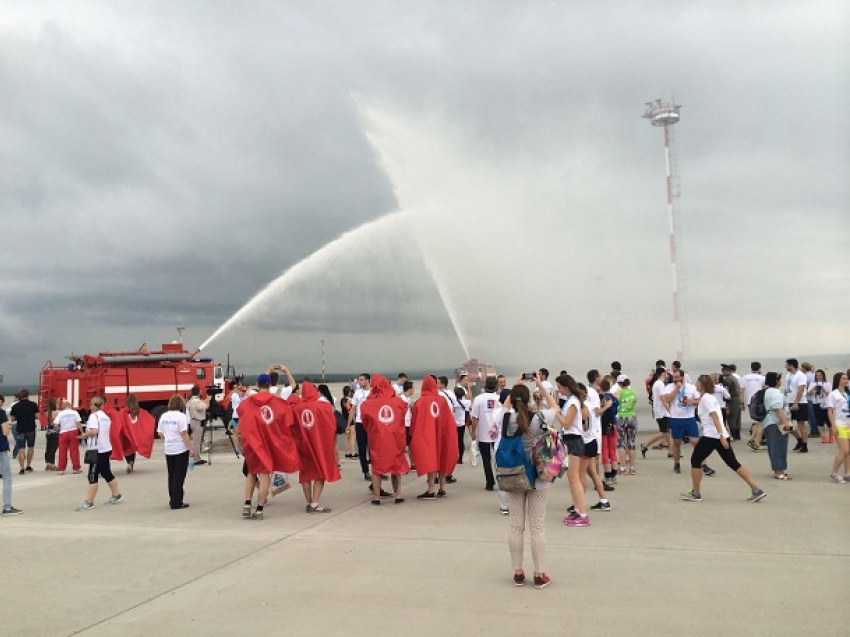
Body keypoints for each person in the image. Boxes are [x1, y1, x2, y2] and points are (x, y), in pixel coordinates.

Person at [680, 375, 766, 503]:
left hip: (712, 436)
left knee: (696, 460)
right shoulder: (710, 398)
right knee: (733, 463)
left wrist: (721, 435)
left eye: (697, 382)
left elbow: (715, 417)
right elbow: (715, 414)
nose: (696, 384)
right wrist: (724, 435)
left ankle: (696, 493)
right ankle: (756, 489)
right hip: (719, 436)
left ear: (702, 385)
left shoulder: (706, 400)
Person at [503, 382, 552, 589]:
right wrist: (540, 384)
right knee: (537, 527)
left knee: (516, 525)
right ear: (530, 399)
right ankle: (539, 574)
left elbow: (504, 407)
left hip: (513, 475)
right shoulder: (541, 418)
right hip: (537, 477)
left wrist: (515, 386)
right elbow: (556, 409)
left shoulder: (505, 417)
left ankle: (517, 572)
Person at [237, 373, 301, 520]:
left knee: (251, 473)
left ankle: (247, 504)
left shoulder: (248, 402)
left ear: (258, 385)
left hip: (253, 443)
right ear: (270, 384)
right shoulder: (277, 402)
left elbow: (241, 414)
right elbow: (287, 417)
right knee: (265, 475)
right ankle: (259, 508)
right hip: (268, 443)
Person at [545, 373, 591, 527]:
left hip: (574, 441)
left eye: (559, 387)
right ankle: (578, 510)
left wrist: (556, 413)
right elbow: (554, 404)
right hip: (571, 441)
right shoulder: (572, 400)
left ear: (566, 386)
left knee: (574, 479)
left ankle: (583, 513)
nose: (558, 390)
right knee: (572, 480)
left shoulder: (573, 403)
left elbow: (566, 423)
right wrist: (540, 386)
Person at [360, 374, 409, 505]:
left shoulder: (369, 404)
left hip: (377, 439)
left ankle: (376, 497)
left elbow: (365, 420)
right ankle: (397, 495)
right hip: (394, 438)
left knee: (377, 467)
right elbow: (404, 413)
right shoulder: (398, 402)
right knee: (396, 466)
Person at [292, 382, 341, 512]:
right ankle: (314, 503)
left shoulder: (297, 408)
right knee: (320, 472)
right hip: (319, 444)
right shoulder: (323, 406)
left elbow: (292, 426)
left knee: (305, 473)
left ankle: (309, 501)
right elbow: (331, 425)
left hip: (303, 445)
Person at [410, 376, 458, 499]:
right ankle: (442, 488)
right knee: (442, 458)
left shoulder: (420, 402)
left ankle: (431, 489)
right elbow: (449, 419)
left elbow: (415, 421)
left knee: (430, 459)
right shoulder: (442, 400)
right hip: (442, 434)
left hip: (427, 435)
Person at [661, 368, 715, 476]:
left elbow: (700, 400)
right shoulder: (669, 387)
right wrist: (676, 389)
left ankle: (703, 464)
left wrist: (691, 401)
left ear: (682, 377)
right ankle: (677, 463)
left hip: (689, 418)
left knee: (695, 442)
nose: (675, 379)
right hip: (676, 418)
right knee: (677, 442)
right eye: (674, 377)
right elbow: (666, 399)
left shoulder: (691, 388)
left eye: (677, 377)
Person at [76, 396, 122, 510]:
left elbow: (94, 431)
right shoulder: (105, 417)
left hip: (97, 449)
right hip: (106, 447)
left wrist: (84, 435)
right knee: (106, 472)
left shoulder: (93, 416)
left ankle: (89, 502)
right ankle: (116, 494)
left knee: (92, 475)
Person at [157, 395, 195, 510]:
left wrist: (167, 439)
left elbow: (160, 432)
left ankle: (173, 498)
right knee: (179, 476)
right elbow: (184, 434)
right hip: (180, 448)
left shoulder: (163, 416)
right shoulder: (181, 417)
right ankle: (176, 501)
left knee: (172, 474)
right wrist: (191, 448)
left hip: (169, 449)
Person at [762, 371, 794, 480]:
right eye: (779, 379)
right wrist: (785, 422)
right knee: (777, 446)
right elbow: (777, 408)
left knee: (778, 445)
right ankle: (778, 470)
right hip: (775, 422)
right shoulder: (775, 392)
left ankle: (780, 469)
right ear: (776, 381)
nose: (781, 382)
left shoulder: (768, 391)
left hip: (770, 421)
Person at [347, 373, 373, 480]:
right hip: (360, 422)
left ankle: (377, 471)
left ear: (367, 380)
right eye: (359, 380)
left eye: (362, 380)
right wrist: (348, 424)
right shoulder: (357, 394)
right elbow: (353, 409)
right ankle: (366, 471)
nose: (360, 381)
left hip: (372, 423)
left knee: (373, 448)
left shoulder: (374, 392)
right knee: (362, 448)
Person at [642, 367, 671, 458]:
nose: (667, 374)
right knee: (664, 432)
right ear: (663, 373)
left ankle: (671, 451)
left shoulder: (657, 384)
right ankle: (645, 445)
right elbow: (663, 399)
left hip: (660, 411)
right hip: (662, 411)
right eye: (666, 372)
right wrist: (669, 410)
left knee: (667, 431)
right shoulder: (660, 384)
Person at [825, 372, 850, 483]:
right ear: (838, 380)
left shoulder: (848, 393)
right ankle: (834, 473)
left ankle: (847, 473)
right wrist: (833, 425)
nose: (846, 380)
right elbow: (830, 411)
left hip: (849, 423)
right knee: (844, 450)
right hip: (840, 424)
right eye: (844, 379)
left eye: (847, 378)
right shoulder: (833, 394)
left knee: (849, 452)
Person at [0, 396, 22, 515]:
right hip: (1, 448)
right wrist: (8, 426)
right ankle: (7, 506)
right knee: (7, 477)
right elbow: (5, 432)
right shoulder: (1, 413)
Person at [9, 388, 38, 474]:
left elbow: (12, 418)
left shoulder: (15, 406)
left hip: (20, 429)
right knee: (30, 447)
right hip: (31, 429)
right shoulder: (33, 405)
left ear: (20, 396)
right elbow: (37, 416)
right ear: (28, 396)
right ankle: (28, 465)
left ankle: (21, 468)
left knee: (21, 449)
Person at [785, 359, 810, 453]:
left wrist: (796, 402)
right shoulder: (788, 375)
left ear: (791, 365)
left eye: (786, 365)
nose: (785, 367)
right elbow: (789, 388)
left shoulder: (801, 375)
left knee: (801, 424)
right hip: (789, 401)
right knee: (787, 423)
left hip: (800, 402)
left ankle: (805, 444)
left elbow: (801, 389)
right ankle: (799, 439)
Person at [740, 362, 766, 451]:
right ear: (759, 368)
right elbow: (765, 388)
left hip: (750, 401)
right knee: (761, 422)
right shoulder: (762, 378)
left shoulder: (745, 378)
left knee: (757, 421)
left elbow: (742, 391)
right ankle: (757, 442)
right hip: (759, 401)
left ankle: (753, 439)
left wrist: (741, 403)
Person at [615, 375, 638, 475]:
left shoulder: (618, 393)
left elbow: (615, 403)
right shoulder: (634, 392)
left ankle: (623, 467)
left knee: (621, 443)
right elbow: (634, 402)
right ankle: (632, 467)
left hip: (621, 416)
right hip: (631, 416)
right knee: (631, 442)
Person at [53, 400, 82, 474]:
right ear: (70, 406)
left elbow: (55, 425)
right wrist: (82, 432)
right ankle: (76, 468)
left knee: (62, 451)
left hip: (63, 433)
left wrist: (58, 430)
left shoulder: (60, 414)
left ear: (63, 407)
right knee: (74, 450)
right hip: (73, 432)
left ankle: (61, 469)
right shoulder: (74, 413)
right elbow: (78, 423)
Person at [186, 386, 209, 466]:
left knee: (196, 440)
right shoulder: (196, 401)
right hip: (197, 421)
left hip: (193, 421)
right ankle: (196, 459)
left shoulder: (190, 400)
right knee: (197, 441)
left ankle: (197, 457)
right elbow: (203, 407)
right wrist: (208, 400)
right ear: (198, 392)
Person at [808, 369, 832, 444]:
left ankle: (831, 437)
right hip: (816, 403)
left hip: (826, 404)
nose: (818, 377)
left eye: (820, 375)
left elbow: (830, 394)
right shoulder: (812, 383)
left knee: (829, 421)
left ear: (823, 376)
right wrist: (813, 389)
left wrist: (824, 389)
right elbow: (809, 394)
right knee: (819, 421)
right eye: (817, 375)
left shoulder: (827, 384)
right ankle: (823, 437)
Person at [720, 364, 743, 440]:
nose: (722, 372)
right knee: (737, 417)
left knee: (731, 417)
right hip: (737, 398)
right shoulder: (734, 378)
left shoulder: (728, 380)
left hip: (732, 399)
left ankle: (732, 435)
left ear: (727, 371)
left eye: (723, 371)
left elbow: (726, 390)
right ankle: (737, 434)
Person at [43, 398, 59, 471]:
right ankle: (52, 464)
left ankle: (48, 463)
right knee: (53, 449)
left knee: (48, 448)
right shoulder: (57, 413)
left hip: (49, 432)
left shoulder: (48, 412)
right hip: (55, 433)